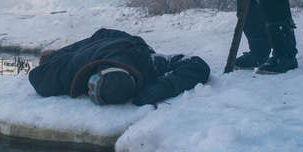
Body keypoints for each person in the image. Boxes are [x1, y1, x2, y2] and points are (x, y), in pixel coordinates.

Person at [28, 28, 210, 106]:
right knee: (63, 56)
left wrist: (165, 86)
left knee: (61, 57)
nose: (88, 92)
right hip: (107, 40)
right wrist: (53, 59)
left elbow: (197, 64)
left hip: (121, 45)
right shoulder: (74, 66)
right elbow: (37, 76)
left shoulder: (148, 64)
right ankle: (54, 55)